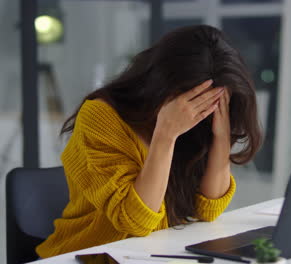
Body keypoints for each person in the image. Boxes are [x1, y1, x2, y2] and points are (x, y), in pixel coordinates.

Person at [36, 25, 262, 258]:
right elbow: (135, 222)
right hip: (90, 256)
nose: (202, 110)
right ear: (162, 82)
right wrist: (166, 134)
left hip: (152, 255)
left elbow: (209, 209)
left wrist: (221, 137)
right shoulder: (100, 117)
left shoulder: (198, 124)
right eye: (196, 100)